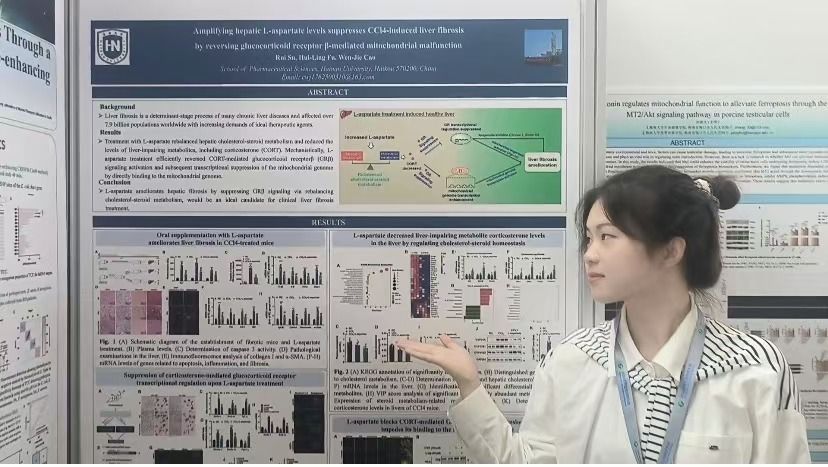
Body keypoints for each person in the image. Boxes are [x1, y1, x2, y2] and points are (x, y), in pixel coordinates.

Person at [396, 165, 811, 463]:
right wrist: (469, 385)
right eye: (589, 238)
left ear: (671, 250)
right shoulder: (571, 360)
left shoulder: (755, 368)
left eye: (608, 237)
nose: (589, 255)